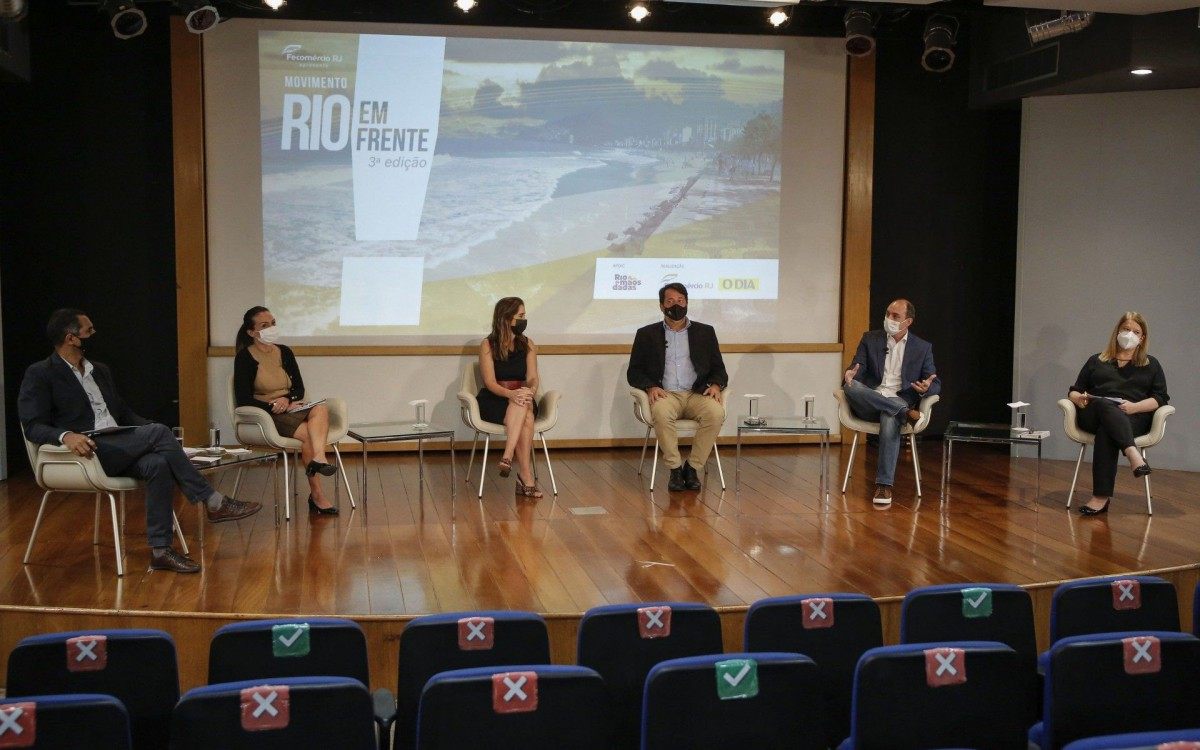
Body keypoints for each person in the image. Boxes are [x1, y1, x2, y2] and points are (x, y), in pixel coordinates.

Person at [18, 309, 262, 574]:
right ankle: (212, 501)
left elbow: (123, 414)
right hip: (87, 451)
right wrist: (66, 435)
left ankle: (160, 551)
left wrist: (160, 434)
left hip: (118, 444)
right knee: (158, 433)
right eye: (89, 331)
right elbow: (33, 425)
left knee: (157, 463)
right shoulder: (41, 373)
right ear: (71, 339)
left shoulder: (99, 370)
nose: (95, 334)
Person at [234, 306, 340, 515]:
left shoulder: (285, 352)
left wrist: (287, 399)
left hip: (291, 407)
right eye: (264, 326)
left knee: (320, 408)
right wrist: (274, 405)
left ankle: (318, 457)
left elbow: (298, 388)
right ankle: (317, 496)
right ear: (251, 332)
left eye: (273, 323)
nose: (271, 328)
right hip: (268, 414)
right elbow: (243, 398)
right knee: (309, 437)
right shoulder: (245, 358)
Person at [627, 283, 728, 492]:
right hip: (666, 394)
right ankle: (674, 469)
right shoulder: (646, 334)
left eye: (681, 301)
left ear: (687, 303)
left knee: (716, 413)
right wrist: (650, 386)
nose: (676, 305)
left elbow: (719, 368)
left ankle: (692, 467)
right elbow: (634, 372)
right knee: (661, 413)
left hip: (696, 393)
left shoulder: (705, 332)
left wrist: (717, 385)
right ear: (662, 306)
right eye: (670, 301)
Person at [842, 299, 940, 506]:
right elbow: (856, 368)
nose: (889, 319)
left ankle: (884, 486)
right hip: (869, 402)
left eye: (896, 316)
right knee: (850, 386)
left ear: (908, 322)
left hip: (897, 398)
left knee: (889, 416)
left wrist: (926, 389)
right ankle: (905, 413)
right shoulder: (870, 339)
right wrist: (851, 374)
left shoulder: (922, 348)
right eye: (888, 314)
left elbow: (934, 382)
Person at [1067, 312, 1166, 515]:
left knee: (1108, 431)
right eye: (1126, 329)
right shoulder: (1097, 360)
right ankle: (1132, 453)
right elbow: (1074, 390)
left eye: (1135, 331)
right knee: (1104, 404)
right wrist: (1078, 398)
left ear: (1142, 338)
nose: (1129, 334)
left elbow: (1160, 398)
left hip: (1131, 417)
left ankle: (1100, 498)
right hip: (1094, 413)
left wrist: (1135, 407)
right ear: (1117, 332)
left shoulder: (1151, 364)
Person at [478, 297, 543, 498]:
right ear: (506, 318)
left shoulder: (528, 344)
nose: (524, 320)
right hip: (496, 397)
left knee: (523, 403)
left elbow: (532, 377)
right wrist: (511, 394)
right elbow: (489, 382)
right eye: (520, 316)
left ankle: (507, 457)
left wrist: (530, 391)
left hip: (522, 396)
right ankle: (525, 476)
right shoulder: (488, 344)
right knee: (526, 414)